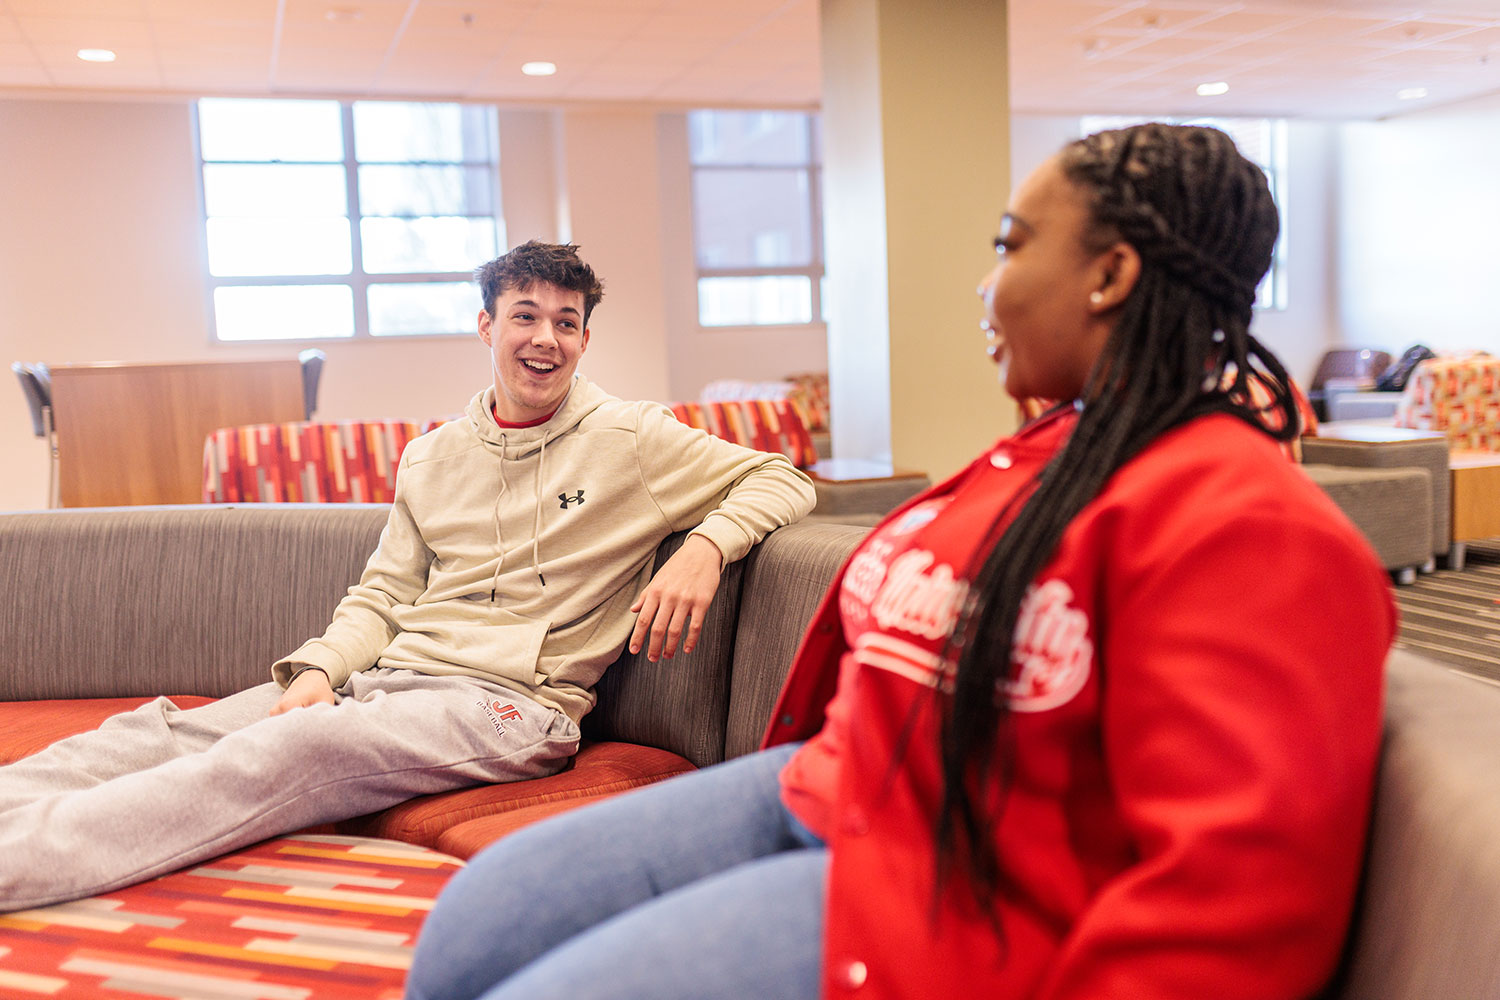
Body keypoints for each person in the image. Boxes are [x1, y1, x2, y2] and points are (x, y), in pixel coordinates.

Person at [404, 125, 1396, 1000]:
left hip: (955, 885)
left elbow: (1231, 915)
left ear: (1111, 276)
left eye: (1009, 246)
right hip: (829, 787)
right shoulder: (1037, 458)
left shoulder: (1256, 530)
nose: (984, 282)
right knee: (477, 927)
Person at [0, 240, 815, 911]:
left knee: (292, 747)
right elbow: (383, 594)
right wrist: (322, 668)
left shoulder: (631, 437)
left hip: (510, 709)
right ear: (486, 326)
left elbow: (783, 477)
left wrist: (708, 547)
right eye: (525, 315)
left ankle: (23, 866)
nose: (546, 338)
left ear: (585, 341)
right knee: (162, 729)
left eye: (566, 322)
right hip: (389, 680)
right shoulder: (433, 456)